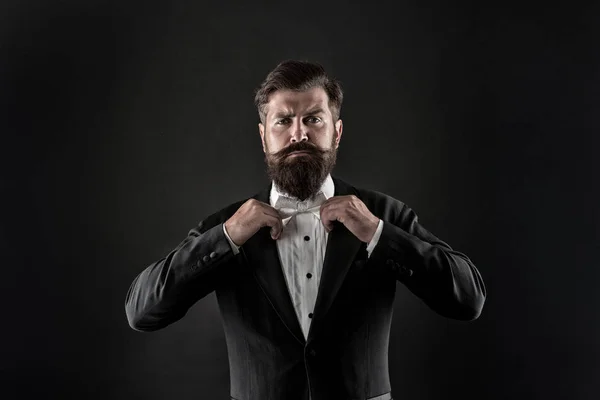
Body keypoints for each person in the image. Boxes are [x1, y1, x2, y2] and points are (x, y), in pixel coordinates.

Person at [125, 60, 486, 400]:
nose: (299, 135)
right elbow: (142, 311)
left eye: (313, 118)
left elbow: (468, 299)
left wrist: (378, 233)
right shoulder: (228, 226)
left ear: (337, 131)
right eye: (283, 121)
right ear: (264, 136)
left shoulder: (384, 215)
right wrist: (227, 237)